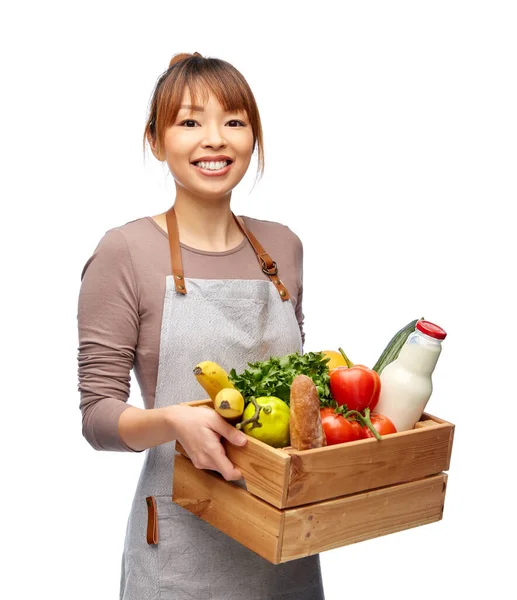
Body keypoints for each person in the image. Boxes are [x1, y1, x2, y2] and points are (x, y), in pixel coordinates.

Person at [77, 51, 325, 600]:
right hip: (181, 554)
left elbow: (295, 396)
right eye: (190, 122)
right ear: (155, 140)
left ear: (253, 137)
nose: (215, 139)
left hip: (286, 548)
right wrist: (175, 422)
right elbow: (97, 417)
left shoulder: (283, 247)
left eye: (234, 121)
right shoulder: (125, 252)